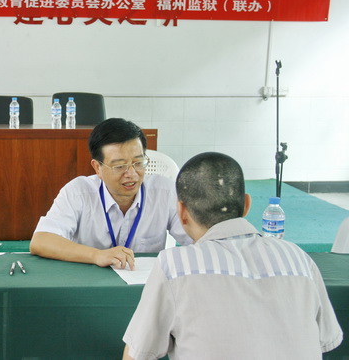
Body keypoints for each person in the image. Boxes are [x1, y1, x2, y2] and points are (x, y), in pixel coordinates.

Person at [122, 152, 343, 360]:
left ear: (182, 212)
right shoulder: (299, 259)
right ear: (247, 204)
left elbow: (138, 353)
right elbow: (326, 339)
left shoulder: (175, 265)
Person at [30, 118, 191, 270]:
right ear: (97, 168)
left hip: (145, 283)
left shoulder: (165, 192)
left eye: (138, 163)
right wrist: (96, 255)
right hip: (89, 282)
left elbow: (199, 239)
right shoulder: (78, 192)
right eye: (119, 166)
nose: (131, 174)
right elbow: (41, 240)